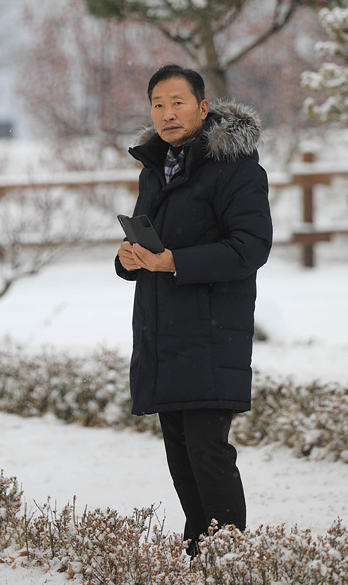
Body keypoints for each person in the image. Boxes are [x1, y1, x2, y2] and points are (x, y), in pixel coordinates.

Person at [115, 64, 272, 555]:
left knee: (208, 454)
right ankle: (199, 555)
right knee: (181, 457)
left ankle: (230, 560)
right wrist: (128, 259)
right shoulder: (154, 169)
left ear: (203, 108)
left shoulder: (237, 168)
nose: (167, 113)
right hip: (164, 335)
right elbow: (151, 242)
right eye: (158, 104)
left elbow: (251, 247)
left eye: (178, 102)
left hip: (211, 333)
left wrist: (174, 262)